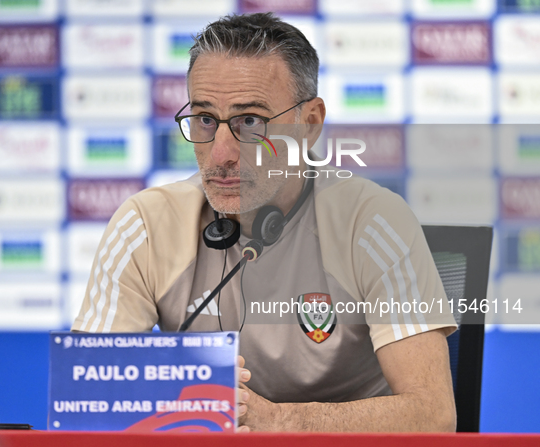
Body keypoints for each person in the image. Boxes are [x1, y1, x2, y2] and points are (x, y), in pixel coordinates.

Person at [73, 13, 457, 432]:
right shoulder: (145, 225)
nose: (221, 154)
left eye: (250, 122)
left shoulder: (371, 221)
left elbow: (432, 415)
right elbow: (87, 400)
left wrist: (278, 421)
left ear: (309, 124)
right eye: (205, 119)